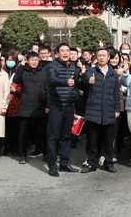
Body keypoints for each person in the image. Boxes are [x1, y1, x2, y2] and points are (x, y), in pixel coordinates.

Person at [80, 47, 121, 173]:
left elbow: (116, 93)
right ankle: (92, 163)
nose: (102, 58)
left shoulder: (113, 74)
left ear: (109, 57)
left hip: (108, 110)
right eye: (99, 55)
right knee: (92, 139)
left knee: (108, 140)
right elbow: (85, 79)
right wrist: (89, 80)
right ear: (96, 57)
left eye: (104, 55)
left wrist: (117, 109)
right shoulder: (91, 71)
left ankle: (108, 163)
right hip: (94, 110)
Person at [46, 43, 80, 176]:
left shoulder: (72, 66)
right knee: (53, 137)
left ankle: (65, 163)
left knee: (67, 136)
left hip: (69, 106)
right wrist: (65, 82)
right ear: (57, 54)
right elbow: (52, 80)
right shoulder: (51, 66)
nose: (66, 53)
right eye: (63, 51)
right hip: (56, 106)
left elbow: (76, 84)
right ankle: (52, 165)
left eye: (67, 51)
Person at [14, 51, 48, 164]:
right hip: (25, 106)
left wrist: (48, 105)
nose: (34, 62)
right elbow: (15, 80)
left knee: (42, 132)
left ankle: (44, 152)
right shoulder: (23, 70)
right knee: (23, 134)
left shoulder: (43, 71)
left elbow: (48, 89)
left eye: (36, 59)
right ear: (27, 60)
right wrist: (21, 65)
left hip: (40, 106)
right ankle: (22, 155)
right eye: (32, 60)